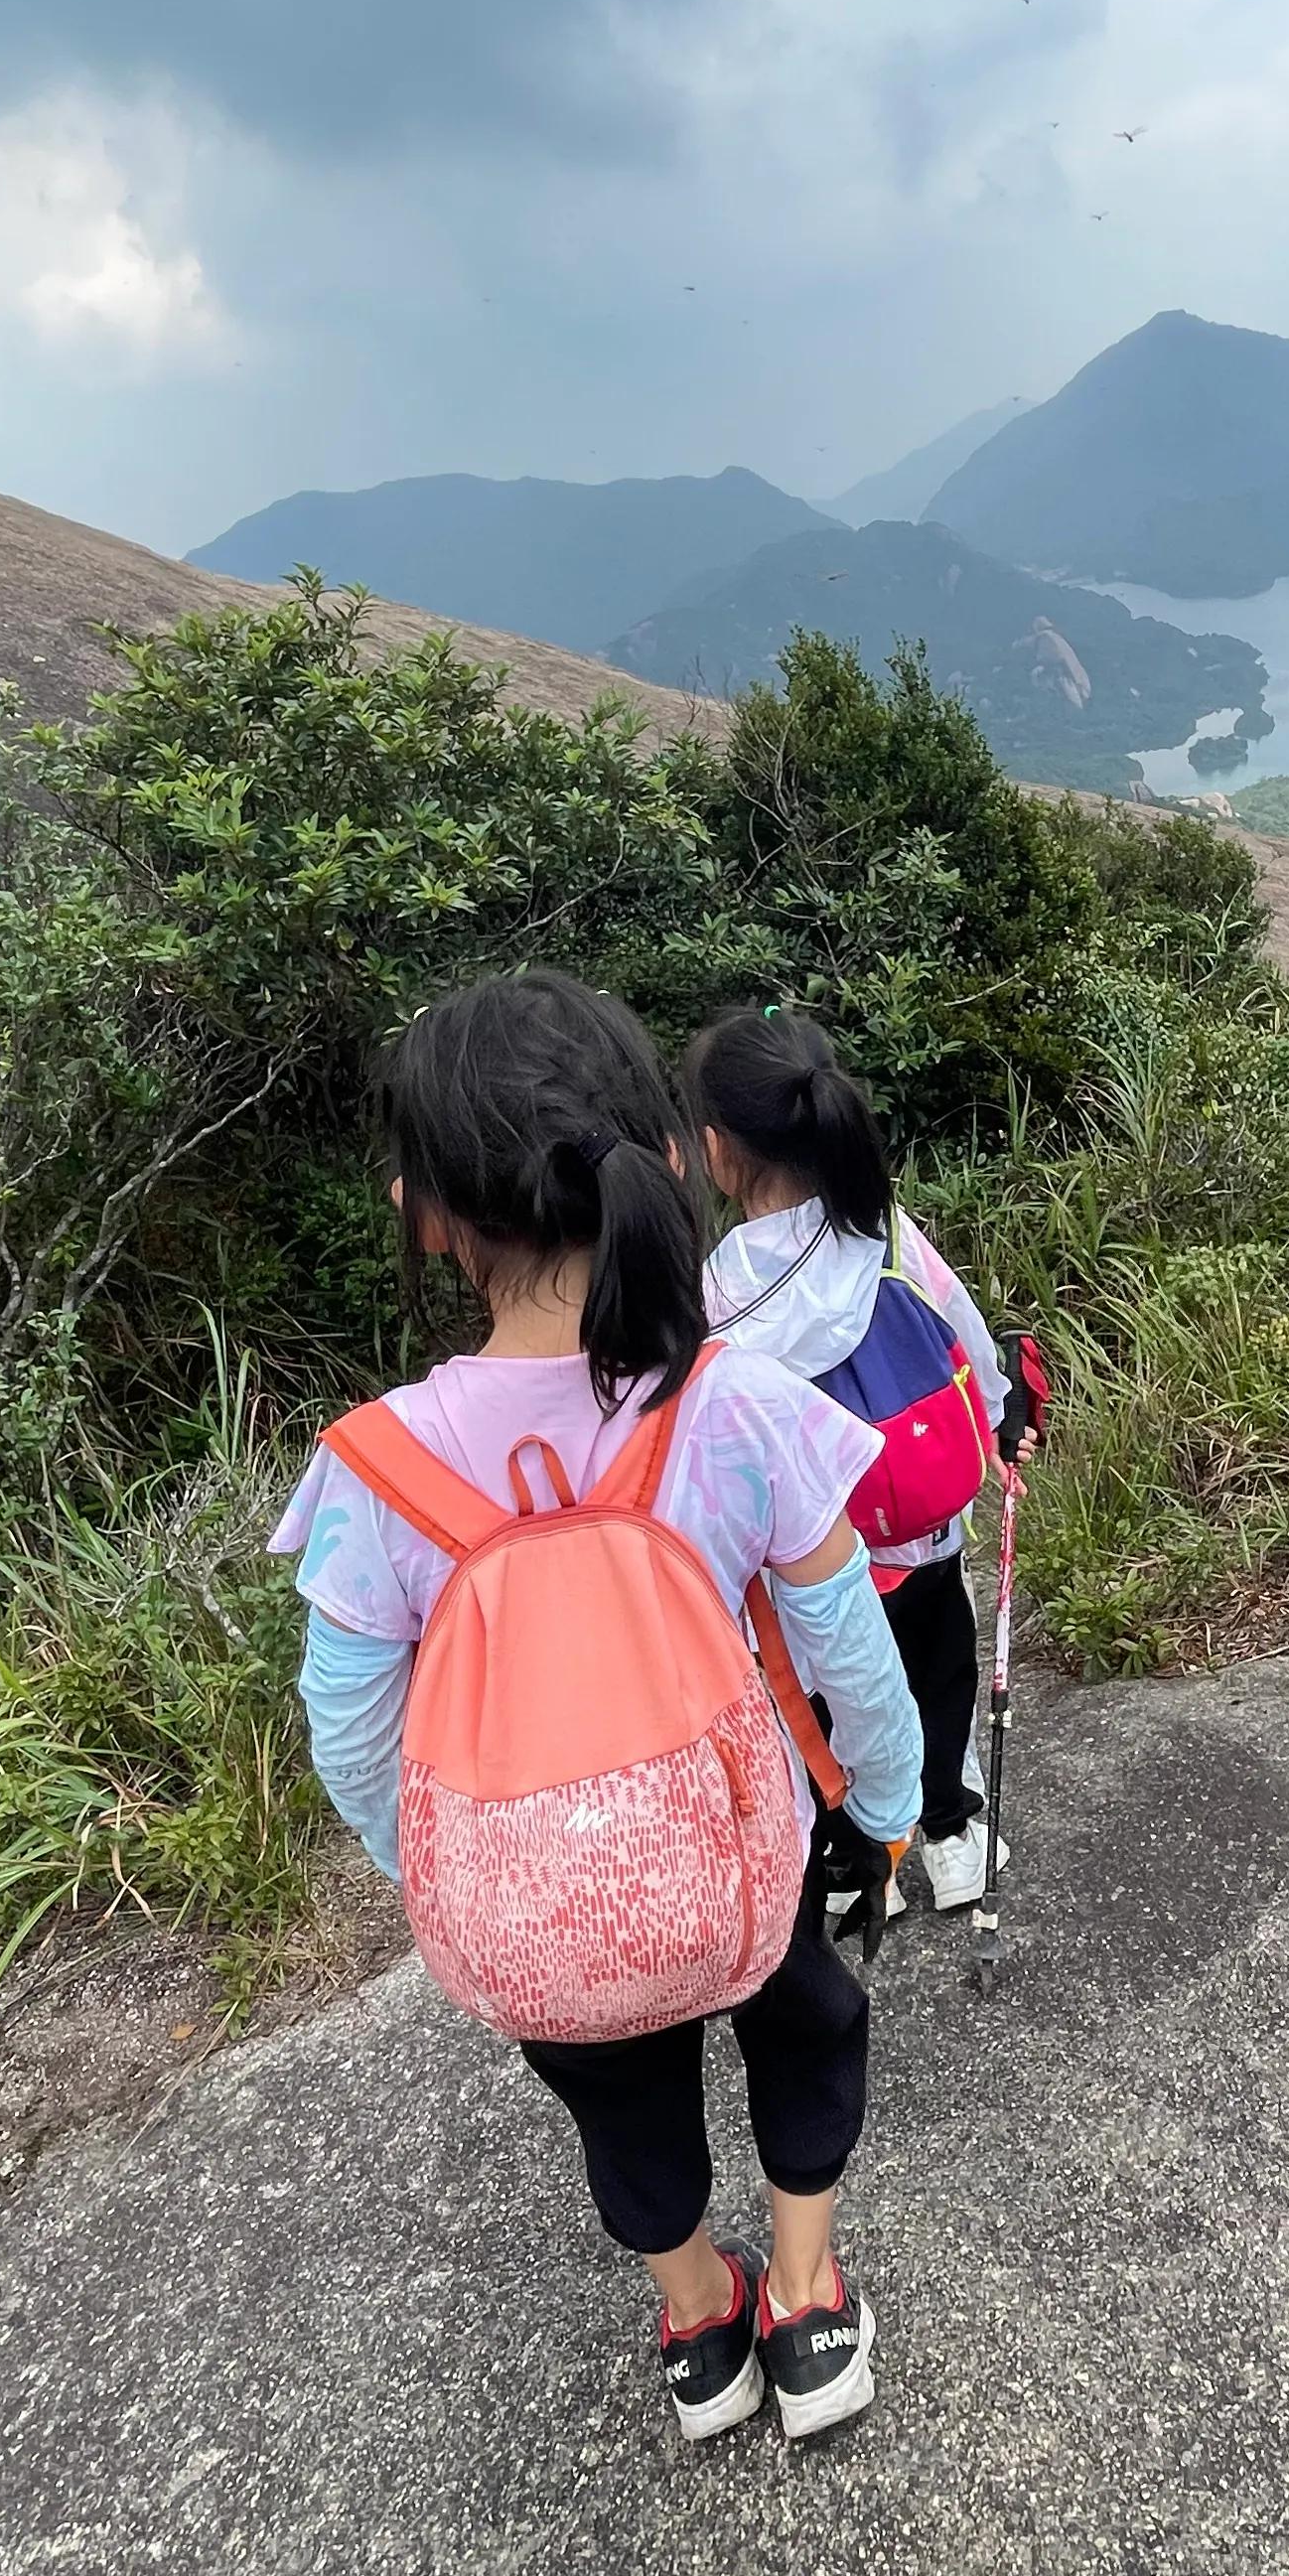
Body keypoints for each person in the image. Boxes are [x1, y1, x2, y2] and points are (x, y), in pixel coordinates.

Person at [273, 969, 927, 2448]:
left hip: (534, 1906)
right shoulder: (735, 1399)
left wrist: (429, 1870)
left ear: (425, 1210)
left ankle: (701, 2325)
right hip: (738, 1860)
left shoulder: (374, 1470)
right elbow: (844, 1637)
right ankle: (810, 2305)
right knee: (807, 2026)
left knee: (613, 2095)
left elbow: (347, 1724)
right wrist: (883, 1807)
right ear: (651, 1157)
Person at [677, 1006, 1012, 1916]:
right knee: (939, 1685)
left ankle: (856, 1862)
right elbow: (972, 1351)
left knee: (828, 1705)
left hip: (812, 1573)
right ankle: (951, 1836)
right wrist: (1001, 1423)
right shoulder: (888, 1236)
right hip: (928, 1535)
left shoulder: (715, 1295)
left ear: (717, 1149)